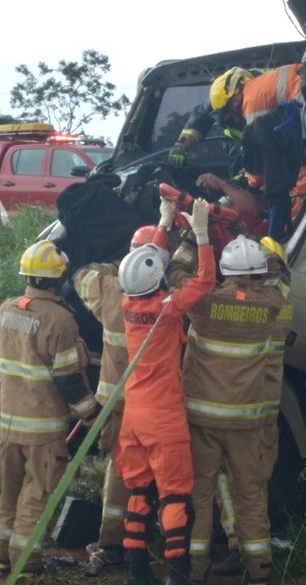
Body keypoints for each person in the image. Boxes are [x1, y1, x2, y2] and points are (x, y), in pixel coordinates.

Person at [71, 201, 176, 577]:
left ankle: (113, 544)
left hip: (117, 402)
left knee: (121, 473)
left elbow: (82, 273)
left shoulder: (111, 294)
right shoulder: (170, 303)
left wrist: (113, 268)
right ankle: (172, 542)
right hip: (160, 406)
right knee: (170, 474)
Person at [115, 198, 215, 585]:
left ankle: (138, 574)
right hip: (163, 416)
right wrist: (202, 234)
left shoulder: (128, 302)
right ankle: (176, 575)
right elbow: (205, 281)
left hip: (134, 417)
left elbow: (146, 264)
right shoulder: (167, 308)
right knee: (175, 496)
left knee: (140, 492)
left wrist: (163, 221)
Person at [179, 235, 288, 585]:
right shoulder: (272, 305)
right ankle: (259, 570)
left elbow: (177, 278)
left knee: (199, 494)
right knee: (250, 494)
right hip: (248, 421)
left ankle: (195, 571)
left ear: (225, 271)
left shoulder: (203, 302)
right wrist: (267, 258)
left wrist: (193, 239)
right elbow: (280, 280)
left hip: (202, 419)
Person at [0, 241, 98, 578]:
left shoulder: (5, 309)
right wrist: (89, 413)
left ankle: (1, 559)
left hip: (9, 424)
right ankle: (26, 564)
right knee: (37, 495)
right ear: (59, 279)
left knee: (9, 493)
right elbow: (68, 381)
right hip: (43, 430)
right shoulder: (60, 320)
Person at [169, 65, 306, 241]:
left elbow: (261, 151)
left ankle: (301, 238)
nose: (231, 120)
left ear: (234, 100)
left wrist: (247, 184)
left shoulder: (253, 103)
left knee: (304, 189)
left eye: (228, 115)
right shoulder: (258, 86)